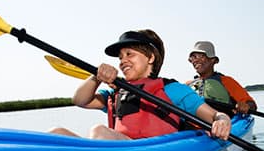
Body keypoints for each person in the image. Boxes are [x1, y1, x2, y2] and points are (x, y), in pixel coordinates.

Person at [49, 30, 231, 140]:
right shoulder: (116, 93)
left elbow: (215, 115)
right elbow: (80, 100)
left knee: (99, 131)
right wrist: (96, 77)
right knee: (56, 134)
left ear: (150, 58)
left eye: (130, 54)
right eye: (120, 57)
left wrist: (222, 120)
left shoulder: (172, 90)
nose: (123, 61)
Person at [186, 41, 257, 115]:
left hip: (219, 123)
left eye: (201, 56)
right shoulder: (188, 85)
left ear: (213, 60)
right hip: (189, 124)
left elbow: (252, 105)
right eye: (192, 58)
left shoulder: (227, 81)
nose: (195, 61)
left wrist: (246, 105)